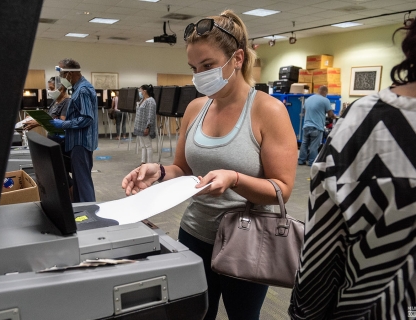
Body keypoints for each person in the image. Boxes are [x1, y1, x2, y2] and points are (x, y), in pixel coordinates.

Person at [122, 10, 297, 320]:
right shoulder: (195, 108)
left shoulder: (268, 111)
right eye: (194, 67)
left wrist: (235, 179)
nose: (199, 75)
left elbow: (282, 189)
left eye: (208, 66)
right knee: (194, 314)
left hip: (248, 239)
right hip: (194, 233)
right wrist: (158, 171)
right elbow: (183, 170)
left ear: (238, 58)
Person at [289, 1, 416, 319]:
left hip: (370, 309)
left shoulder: (364, 118)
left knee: (307, 155)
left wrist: (305, 313)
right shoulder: (352, 113)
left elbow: (323, 246)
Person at [50, 58, 98, 203]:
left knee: (83, 182)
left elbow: (87, 118)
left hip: (81, 142)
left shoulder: (82, 90)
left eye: (62, 74)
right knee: (78, 181)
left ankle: (90, 214)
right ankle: (81, 211)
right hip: (77, 141)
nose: (62, 78)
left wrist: (63, 124)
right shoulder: (78, 88)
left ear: (70, 73)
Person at [297, 85, 337, 166]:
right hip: (316, 127)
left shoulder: (308, 99)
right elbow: (330, 115)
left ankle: (301, 160)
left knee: (304, 144)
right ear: (325, 92)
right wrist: (335, 116)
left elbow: (304, 112)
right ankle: (312, 162)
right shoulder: (325, 100)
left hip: (306, 126)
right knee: (314, 146)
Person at [133, 84, 156, 164]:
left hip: (145, 127)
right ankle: (143, 162)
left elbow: (151, 115)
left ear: (145, 91)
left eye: (140, 90)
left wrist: (148, 127)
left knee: (148, 146)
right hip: (139, 127)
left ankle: (149, 164)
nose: (139, 92)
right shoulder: (142, 99)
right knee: (143, 146)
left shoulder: (150, 101)